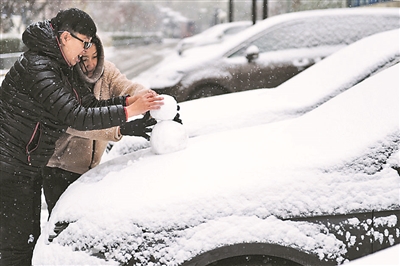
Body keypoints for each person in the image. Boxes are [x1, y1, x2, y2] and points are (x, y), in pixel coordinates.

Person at [0, 8, 163, 265]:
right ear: (65, 37)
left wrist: (129, 100)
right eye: (84, 43)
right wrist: (129, 112)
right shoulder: (39, 67)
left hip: (26, 166)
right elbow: (75, 116)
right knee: (17, 247)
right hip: (10, 168)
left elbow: (87, 103)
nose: (85, 51)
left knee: (29, 240)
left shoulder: (60, 65)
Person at [42, 35, 157, 216]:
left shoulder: (106, 72)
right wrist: (119, 129)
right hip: (59, 168)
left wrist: (151, 99)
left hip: (91, 169)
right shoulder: (64, 78)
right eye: (84, 58)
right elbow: (76, 123)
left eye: (95, 56)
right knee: (62, 227)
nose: (91, 64)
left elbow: (127, 87)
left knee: (85, 222)